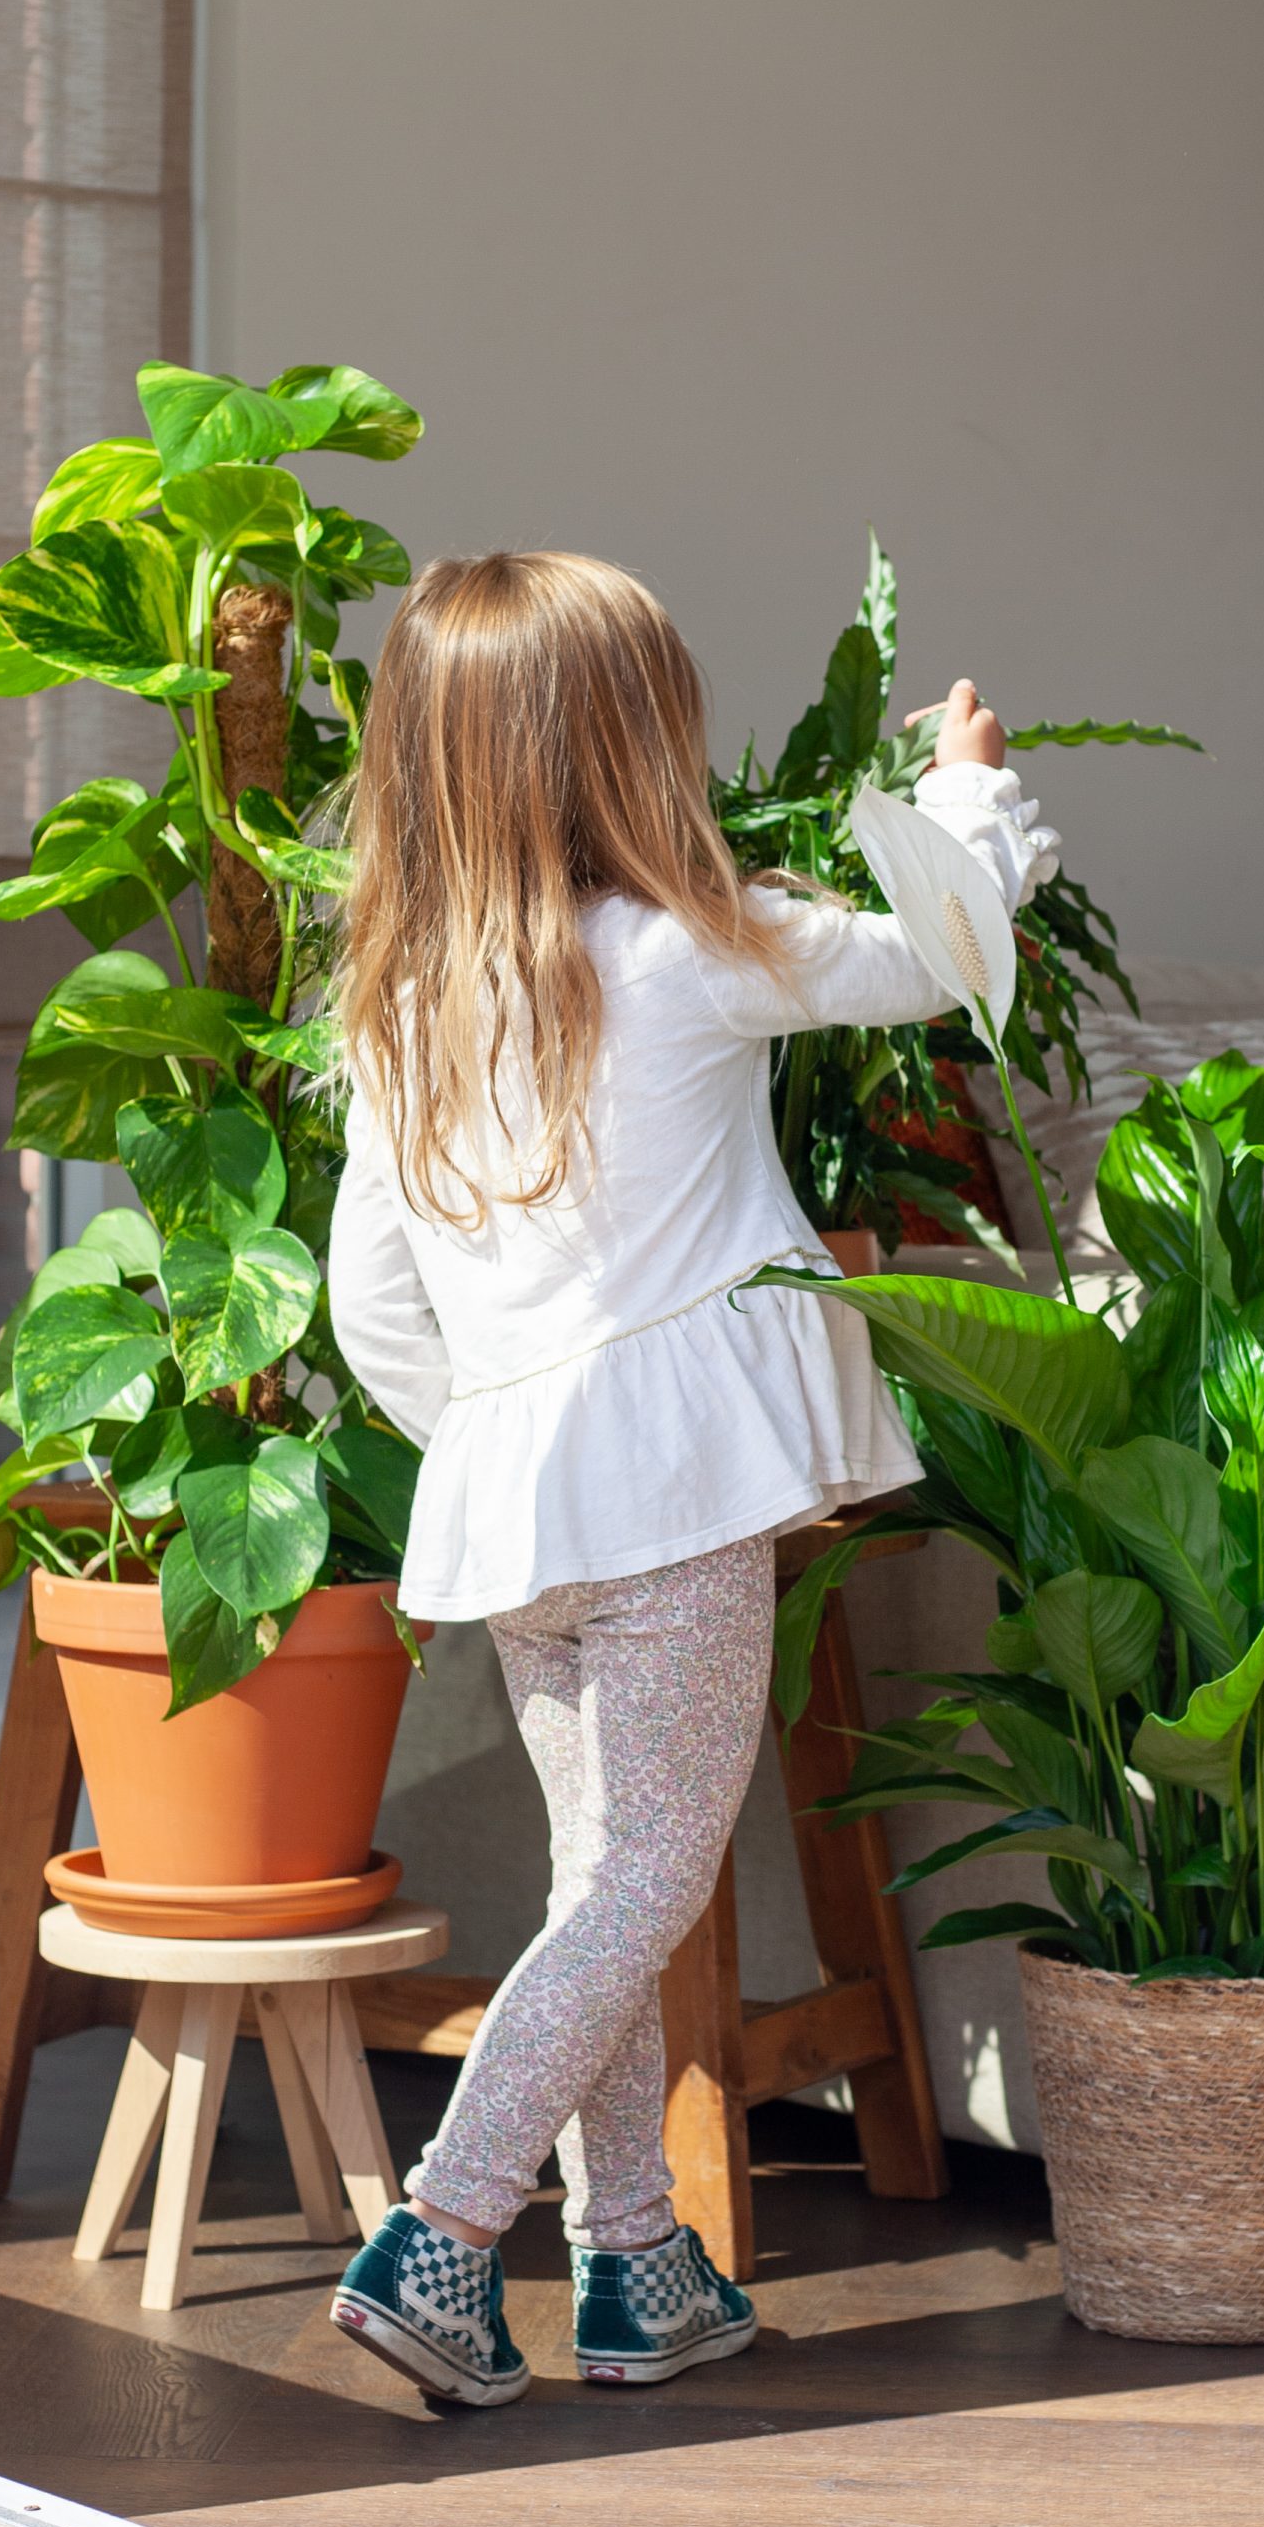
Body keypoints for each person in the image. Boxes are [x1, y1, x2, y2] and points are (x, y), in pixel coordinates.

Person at [323, 551, 1061, 2406]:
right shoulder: (687, 949)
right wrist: (960, 783)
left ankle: (637, 2259)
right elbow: (940, 953)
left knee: (606, 1876)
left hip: (514, 1499)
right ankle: (445, 2226)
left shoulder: (400, 1005)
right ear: (622, 752)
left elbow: (371, 1301)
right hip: (663, 1501)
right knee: (648, 1872)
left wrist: (501, 1436)